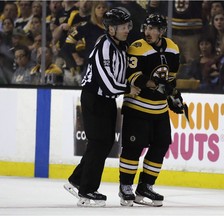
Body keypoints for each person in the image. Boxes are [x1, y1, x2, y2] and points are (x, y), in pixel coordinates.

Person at [63, 8, 140, 207]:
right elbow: (108, 84)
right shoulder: (104, 46)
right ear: (111, 29)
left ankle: (77, 180)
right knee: (99, 142)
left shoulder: (122, 46)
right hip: (94, 98)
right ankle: (87, 191)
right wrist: (128, 89)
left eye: (128, 26)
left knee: (104, 143)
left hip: (107, 100)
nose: (127, 30)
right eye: (123, 27)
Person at [118, 14, 184, 207]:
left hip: (160, 110)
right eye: (146, 28)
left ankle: (145, 186)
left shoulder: (173, 48)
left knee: (161, 145)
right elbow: (133, 76)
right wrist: (157, 86)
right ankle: (126, 187)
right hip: (137, 108)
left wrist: (174, 96)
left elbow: (171, 78)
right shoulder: (137, 48)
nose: (148, 32)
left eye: (153, 29)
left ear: (162, 31)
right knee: (133, 148)